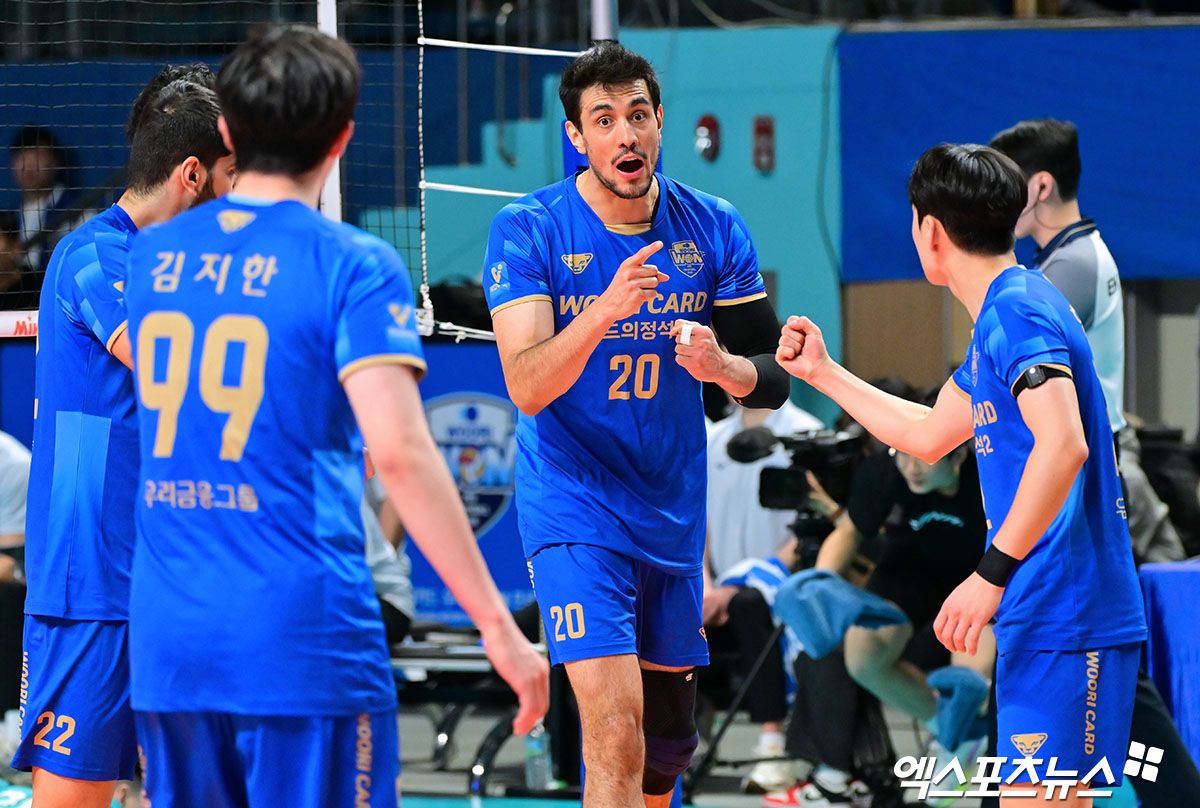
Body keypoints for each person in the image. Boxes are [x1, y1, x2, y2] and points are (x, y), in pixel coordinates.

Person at [122, 26, 547, 808]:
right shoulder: (353, 263)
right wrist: (498, 627)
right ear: (343, 137)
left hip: (170, 635)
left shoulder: (150, 258)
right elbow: (402, 455)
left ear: (227, 130)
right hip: (299, 633)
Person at [776, 143, 1147, 808]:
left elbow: (1063, 444)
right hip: (1047, 610)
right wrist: (824, 374)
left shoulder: (1017, 313)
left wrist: (988, 575)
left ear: (930, 231)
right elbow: (928, 433)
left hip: (1066, 611)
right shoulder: (1004, 315)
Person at [482, 40, 790, 808]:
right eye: (604, 119)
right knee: (615, 734)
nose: (626, 133)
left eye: (639, 115)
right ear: (577, 137)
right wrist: (603, 312)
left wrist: (724, 368)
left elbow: (773, 374)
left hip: (670, 506)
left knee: (669, 746)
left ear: (658, 124)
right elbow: (526, 385)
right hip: (575, 503)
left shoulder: (712, 225)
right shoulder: (528, 229)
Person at [12, 74, 236, 808]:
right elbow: (179, 367)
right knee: (74, 799)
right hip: (92, 582)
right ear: (192, 174)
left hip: (177, 573)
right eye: (234, 175)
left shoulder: (195, 270)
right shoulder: (95, 256)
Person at [990, 117, 1199, 805]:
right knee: (1086, 666)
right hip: (1091, 474)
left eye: (1007, 186)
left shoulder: (1060, 274)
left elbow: (1018, 384)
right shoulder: (1074, 258)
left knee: (1098, 664)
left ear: (1040, 187)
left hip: (1088, 482)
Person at [703, 399, 824, 793]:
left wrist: (742, 582)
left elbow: (811, 523)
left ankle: (773, 741)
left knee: (750, 603)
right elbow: (698, 518)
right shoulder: (713, 438)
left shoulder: (804, 432)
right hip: (715, 587)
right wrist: (705, 585)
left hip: (779, 584)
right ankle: (685, 732)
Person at [8, 126, 85, 274]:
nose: (29, 165)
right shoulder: (9, 219)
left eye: (38, 156)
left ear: (56, 162)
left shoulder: (78, 211)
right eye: (22, 156)